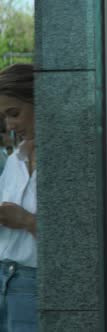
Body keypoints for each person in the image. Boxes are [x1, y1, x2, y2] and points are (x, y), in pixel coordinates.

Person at [0, 64, 37, 331]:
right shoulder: (14, 160)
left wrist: (25, 220)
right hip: (3, 280)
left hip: (36, 286)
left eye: (14, 114)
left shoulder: (71, 159)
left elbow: (80, 240)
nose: (10, 126)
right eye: (4, 118)